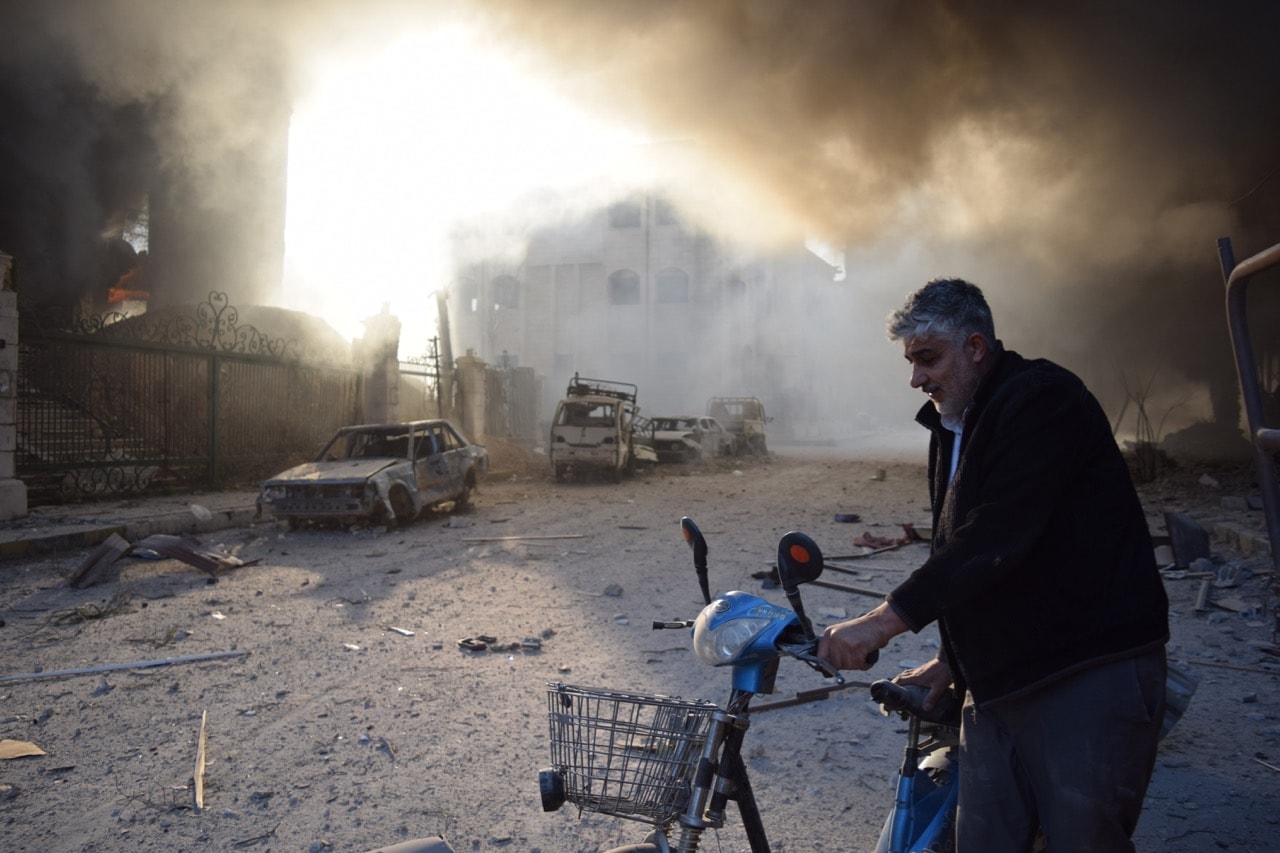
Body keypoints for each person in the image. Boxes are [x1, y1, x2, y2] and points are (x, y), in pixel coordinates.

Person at [818, 278, 1169, 852]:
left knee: (1083, 839)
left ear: (976, 347)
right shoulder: (953, 422)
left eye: (927, 359)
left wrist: (882, 622)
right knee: (984, 839)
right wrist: (951, 659)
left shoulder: (1043, 399)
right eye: (910, 362)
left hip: (1086, 666)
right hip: (998, 678)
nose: (916, 378)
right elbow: (959, 548)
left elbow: (997, 535)